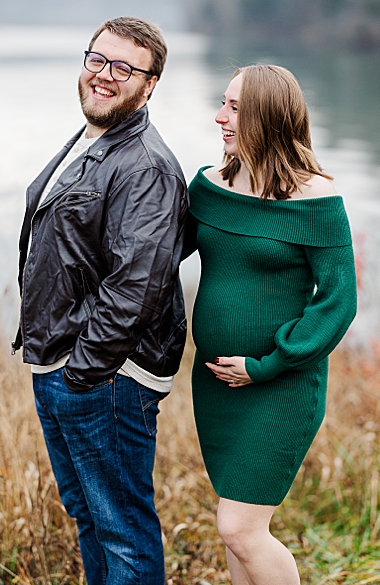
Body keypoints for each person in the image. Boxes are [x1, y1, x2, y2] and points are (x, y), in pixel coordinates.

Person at [13, 17, 188, 584]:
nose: (104, 76)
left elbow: (138, 285)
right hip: (64, 364)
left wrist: (82, 372)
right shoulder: (92, 138)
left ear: (150, 83)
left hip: (106, 376)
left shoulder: (147, 165)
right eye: (97, 59)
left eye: (124, 68)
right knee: (90, 517)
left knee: (123, 531)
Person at [188, 65, 357, 584]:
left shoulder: (315, 201)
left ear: (268, 115)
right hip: (217, 387)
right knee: (236, 538)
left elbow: (337, 303)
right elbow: (156, 252)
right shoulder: (210, 186)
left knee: (241, 529)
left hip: (279, 387)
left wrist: (266, 365)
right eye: (223, 103)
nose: (220, 117)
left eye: (235, 108)